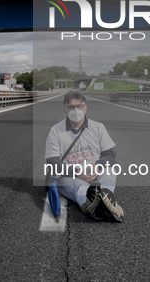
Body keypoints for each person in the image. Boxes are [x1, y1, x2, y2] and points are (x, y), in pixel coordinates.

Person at [45, 91, 124, 222]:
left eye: (79, 106)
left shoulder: (98, 127)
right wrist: (77, 172)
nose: (76, 110)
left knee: (109, 172)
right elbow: (52, 162)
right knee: (79, 188)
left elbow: (110, 154)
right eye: (71, 107)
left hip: (94, 170)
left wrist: (98, 166)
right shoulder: (55, 131)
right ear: (65, 111)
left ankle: (102, 199)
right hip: (70, 174)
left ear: (85, 108)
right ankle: (97, 204)